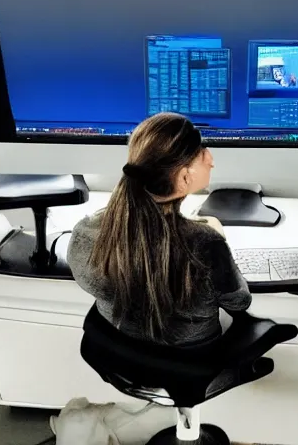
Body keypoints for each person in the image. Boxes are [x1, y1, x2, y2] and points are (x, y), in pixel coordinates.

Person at [67, 113, 251, 347]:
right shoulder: (206, 244)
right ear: (184, 177)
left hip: (123, 350)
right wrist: (217, 237)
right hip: (191, 358)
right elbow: (239, 302)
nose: (210, 159)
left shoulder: (84, 232)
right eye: (201, 152)